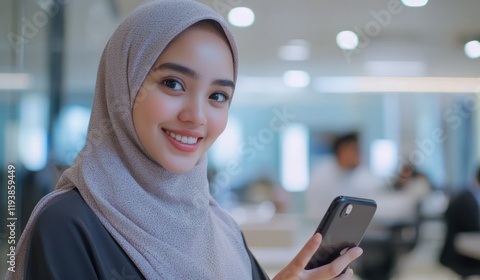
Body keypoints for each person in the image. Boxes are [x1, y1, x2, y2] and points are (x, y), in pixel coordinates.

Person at [5, 1, 363, 279]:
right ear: (123, 84)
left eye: (217, 96)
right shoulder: (68, 224)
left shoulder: (219, 227)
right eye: (173, 84)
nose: (197, 116)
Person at [306, 132, 384, 223]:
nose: (359, 156)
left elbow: (378, 196)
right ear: (342, 151)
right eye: (354, 151)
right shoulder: (321, 175)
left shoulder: (362, 174)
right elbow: (316, 211)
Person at [439, 162, 480, 278]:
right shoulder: (468, 201)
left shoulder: (470, 195)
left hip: (463, 252)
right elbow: (479, 231)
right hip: (463, 257)